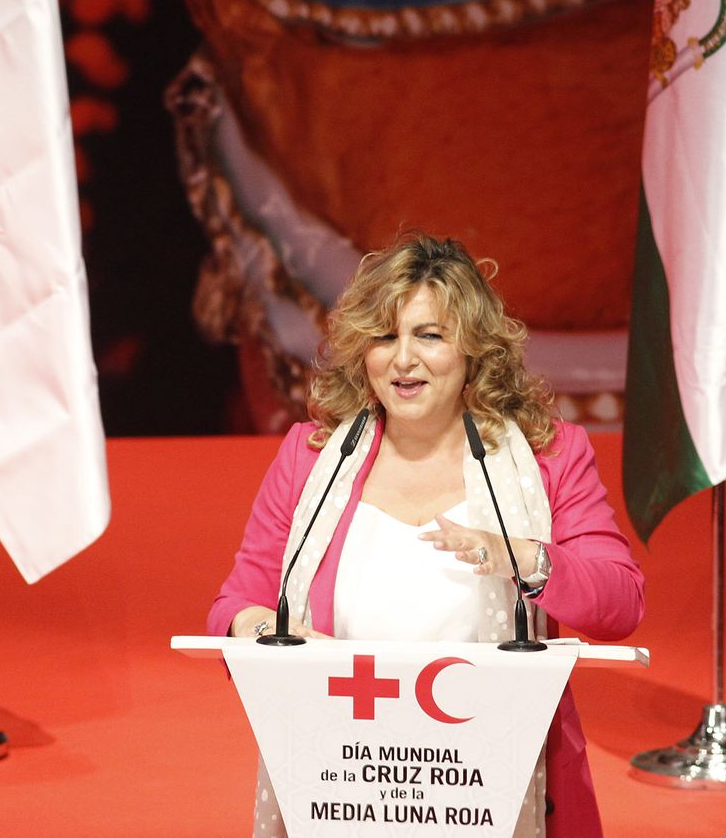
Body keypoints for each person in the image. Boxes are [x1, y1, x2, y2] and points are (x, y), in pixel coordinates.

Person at [209, 232, 645, 837]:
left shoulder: (550, 459)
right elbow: (236, 605)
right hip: (341, 779)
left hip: (495, 781)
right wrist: (267, 633)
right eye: (385, 337)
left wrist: (525, 558)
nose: (403, 360)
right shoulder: (310, 458)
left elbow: (620, 603)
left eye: (429, 336)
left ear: (472, 349)